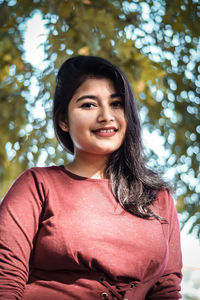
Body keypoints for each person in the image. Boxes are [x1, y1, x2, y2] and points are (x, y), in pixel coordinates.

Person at [0, 55, 182, 300]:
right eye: (88, 105)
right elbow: (5, 279)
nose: (106, 115)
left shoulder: (157, 197)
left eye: (116, 104)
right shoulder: (37, 185)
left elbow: (167, 290)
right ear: (63, 120)